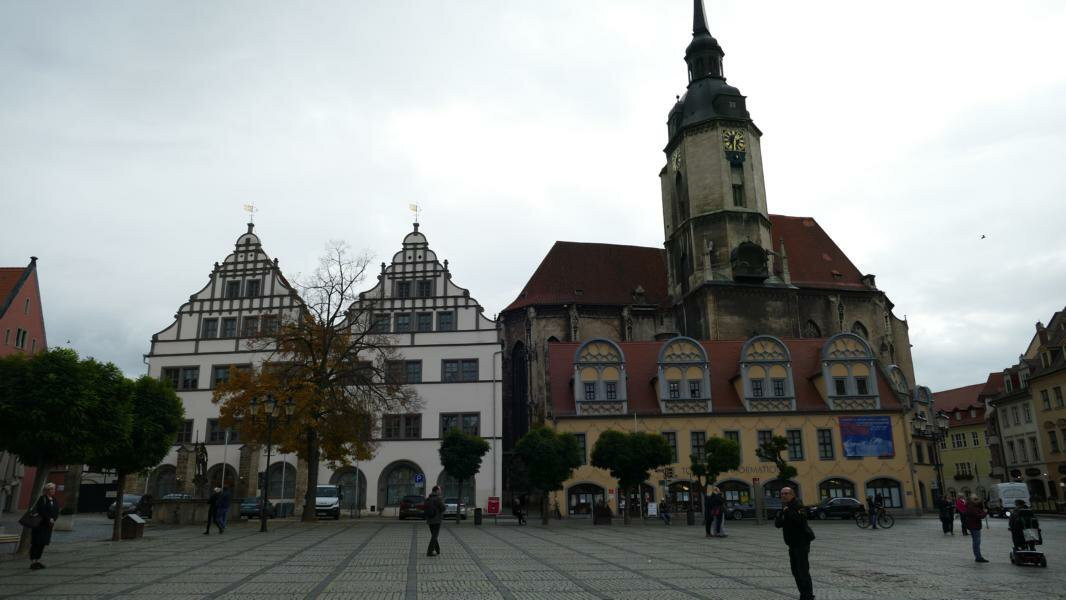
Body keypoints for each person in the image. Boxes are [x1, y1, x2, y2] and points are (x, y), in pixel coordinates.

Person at [774, 487, 814, 600]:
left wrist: (787, 512)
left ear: (792, 494)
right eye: (781, 494)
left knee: (803, 571)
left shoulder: (798, 505)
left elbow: (800, 521)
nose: (783, 496)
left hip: (801, 542)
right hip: (792, 544)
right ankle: (803, 594)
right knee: (795, 571)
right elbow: (778, 524)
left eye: (786, 493)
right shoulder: (785, 507)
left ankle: (808, 596)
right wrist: (780, 515)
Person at [27, 482, 61, 570]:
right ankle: (33, 561)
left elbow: (57, 510)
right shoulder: (42, 499)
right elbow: (41, 510)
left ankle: (37, 560)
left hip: (48, 526)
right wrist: (49, 518)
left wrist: (54, 518)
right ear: (47, 490)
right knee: (36, 543)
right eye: (52, 489)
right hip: (40, 525)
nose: (54, 490)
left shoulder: (54, 499)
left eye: (54, 489)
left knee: (43, 543)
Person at [961, 495, 988, 563]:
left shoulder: (973, 506)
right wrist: (985, 513)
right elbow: (978, 516)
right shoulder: (971, 507)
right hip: (974, 526)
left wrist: (983, 510)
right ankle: (978, 557)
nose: (977, 500)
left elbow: (980, 511)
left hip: (974, 525)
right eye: (975, 499)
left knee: (976, 542)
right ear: (971, 500)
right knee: (976, 542)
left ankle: (978, 556)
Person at [425, 486, 445, 557]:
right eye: (440, 490)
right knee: (434, 536)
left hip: (430, 520)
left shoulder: (428, 498)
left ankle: (437, 549)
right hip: (436, 520)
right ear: (436, 491)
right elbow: (443, 508)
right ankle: (429, 551)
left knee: (434, 535)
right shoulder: (438, 499)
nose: (440, 491)